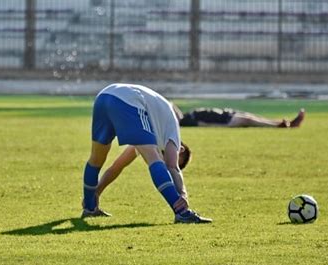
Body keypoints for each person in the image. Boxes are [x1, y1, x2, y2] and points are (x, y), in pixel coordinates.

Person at [81, 83, 212, 223]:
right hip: (128, 100)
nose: (166, 164)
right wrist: (183, 195)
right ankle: (182, 213)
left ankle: (89, 208)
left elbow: (116, 167)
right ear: (180, 149)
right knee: (153, 158)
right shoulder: (172, 134)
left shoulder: (148, 136)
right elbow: (174, 167)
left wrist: (96, 192)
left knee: (96, 159)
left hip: (104, 96)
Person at [179, 107, 305, 128]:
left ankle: (285, 123)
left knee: (250, 116)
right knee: (248, 120)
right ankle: (279, 125)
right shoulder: (187, 121)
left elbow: (170, 105)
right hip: (225, 121)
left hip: (226, 114)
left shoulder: (186, 115)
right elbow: (206, 125)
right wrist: (226, 127)